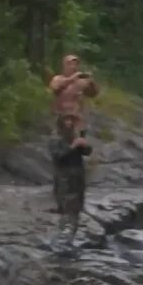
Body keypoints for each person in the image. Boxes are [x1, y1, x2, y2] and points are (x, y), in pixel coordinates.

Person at [46, 54, 100, 256]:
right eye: (70, 63)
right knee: (60, 152)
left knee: (78, 152)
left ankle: (75, 186)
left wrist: (90, 80)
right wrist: (73, 77)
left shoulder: (81, 82)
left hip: (78, 121)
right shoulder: (60, 78)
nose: (74, 65)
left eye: (76, 63)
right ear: (64, 64)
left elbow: (94, 93)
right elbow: (54, 90)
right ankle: (61, 191)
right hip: (61, 120)